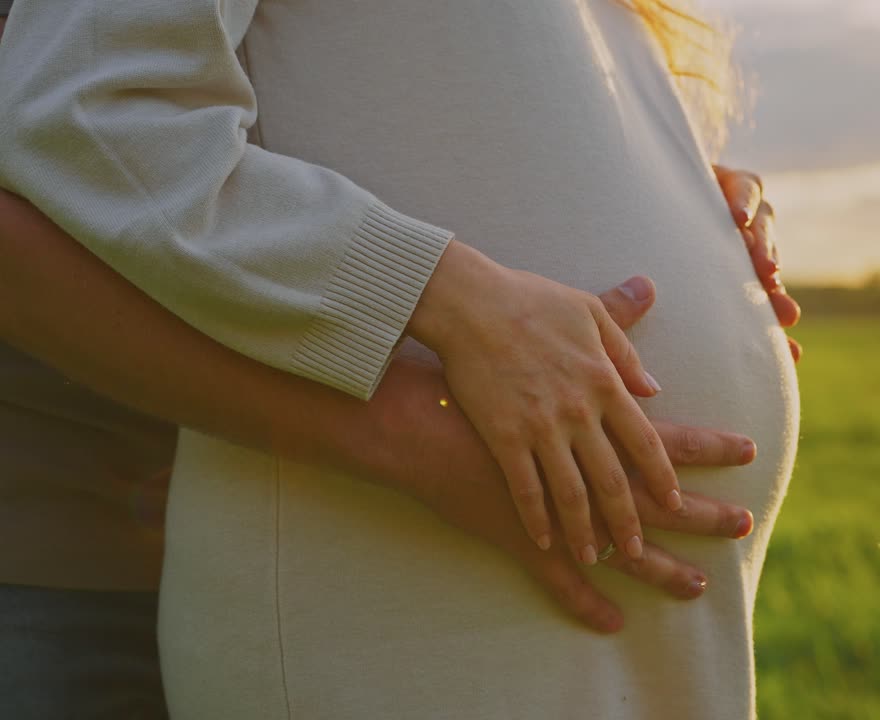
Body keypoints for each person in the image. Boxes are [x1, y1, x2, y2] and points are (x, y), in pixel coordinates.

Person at [0, 1, 801, 718]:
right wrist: (443, 298)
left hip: (578, 605)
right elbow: (91, 110)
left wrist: (682, 186)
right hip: (306, 551)